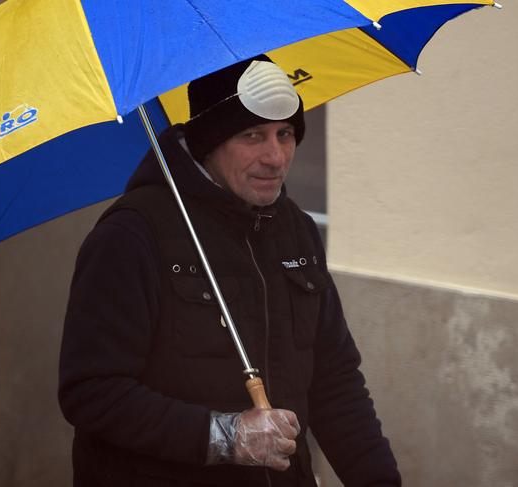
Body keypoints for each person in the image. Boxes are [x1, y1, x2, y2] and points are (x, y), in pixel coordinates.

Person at [59, 55, 401, 487]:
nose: (276, 156)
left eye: (286, 133)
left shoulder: (295, 228)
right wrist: (225, 436)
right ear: (208, 141)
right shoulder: (131, 236)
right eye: (251, 135)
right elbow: (92, 393)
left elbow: (333, 379)